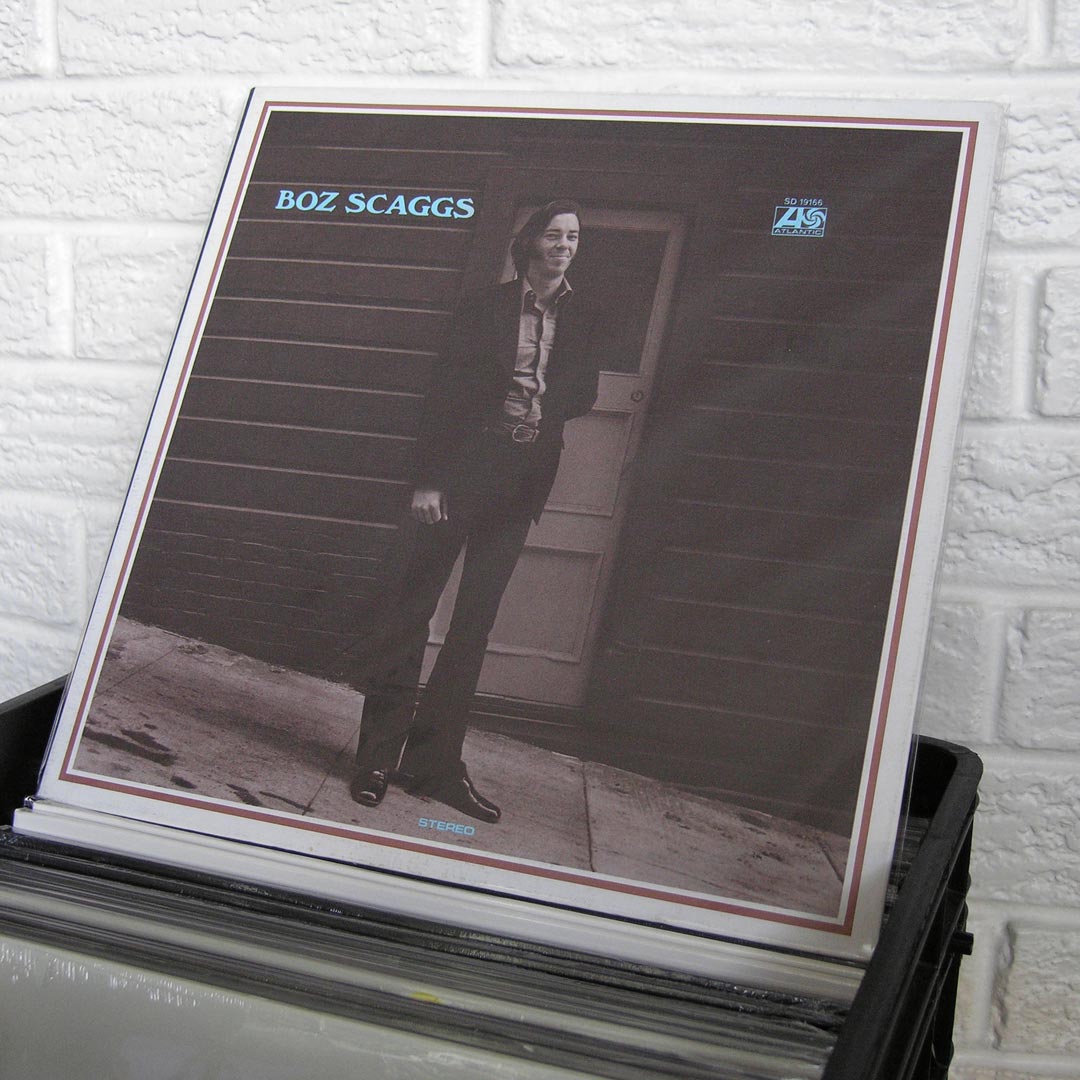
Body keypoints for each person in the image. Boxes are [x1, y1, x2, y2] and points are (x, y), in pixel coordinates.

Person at [346, 199, 601, 823]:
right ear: (529, 243)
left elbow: (584, 395)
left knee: (473, 625)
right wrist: (429, 480)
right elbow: (443, 396)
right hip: (462, 472)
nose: (564, 246)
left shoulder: (585, 315)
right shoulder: (484, 309)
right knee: (413, 610)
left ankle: (434, 764)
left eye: (573, 237)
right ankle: (375, 757)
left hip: (522, 479)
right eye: (553, 235)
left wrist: (540, 404)